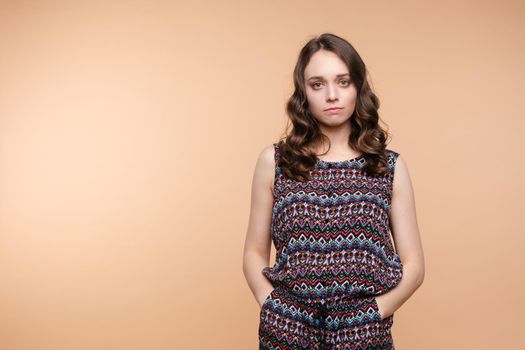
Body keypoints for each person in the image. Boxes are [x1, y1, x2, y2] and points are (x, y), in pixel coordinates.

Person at [242, 33, 425, 350]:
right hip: (288, 334)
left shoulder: (388, 166)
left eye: (343, 81)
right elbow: (254, 251)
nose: (331, 95)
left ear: (358, 88)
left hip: (365, 336)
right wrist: (271, 305)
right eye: (317, 84)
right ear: (304, 93)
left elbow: (414, 265)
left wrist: (373, 314)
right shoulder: (274, 162)